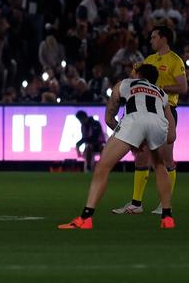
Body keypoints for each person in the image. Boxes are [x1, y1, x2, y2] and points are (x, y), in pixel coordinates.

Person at [60, 64, 176, 230]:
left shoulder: (126, 84)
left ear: (138, 74)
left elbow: (109, 118)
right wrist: (146, 138)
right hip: (158, 123)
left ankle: (86, 217)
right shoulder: (162, 94)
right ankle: (167, 217)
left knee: (103, 166)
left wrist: (130, 137)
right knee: (159, 165)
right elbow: (172, 135)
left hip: (134, 120)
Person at [113, 26, 185, 216]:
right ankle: (136, 203)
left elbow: (183, 87)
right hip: (146, 111)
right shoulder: (149, 60)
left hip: (165, 109)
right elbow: (136, 81)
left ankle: (164, 204)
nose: (151, 40)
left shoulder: (175, 61)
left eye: (154, 37)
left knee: (166, 159)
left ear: (164, 38)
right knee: (142, 156)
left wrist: (160, 87)